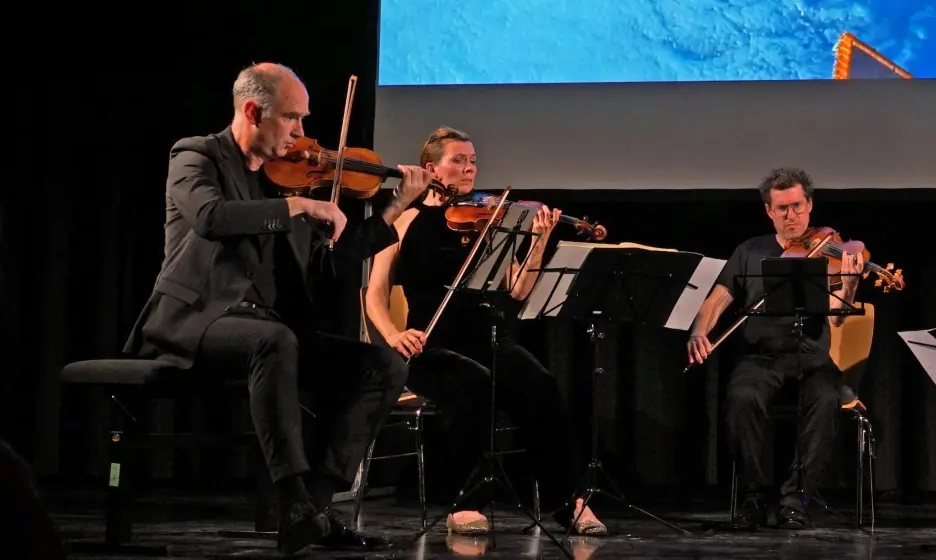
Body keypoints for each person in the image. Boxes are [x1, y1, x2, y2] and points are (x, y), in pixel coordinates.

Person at [123, 63, 433, 557]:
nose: (302, 134)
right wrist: (299, 209)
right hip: (195, 323)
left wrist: (393, 208)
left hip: (268, 330)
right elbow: (210, 218)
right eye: (293, 119)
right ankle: (292, 499)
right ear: (253, 111)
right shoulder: (196, 155)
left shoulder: (286, 182)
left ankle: (314, 506)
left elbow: (334, 258)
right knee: (275, 340)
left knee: (383, 364)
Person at [364, 127, 607, 536]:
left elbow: (518, 291)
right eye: (458, 160)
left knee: (542, 385)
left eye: (473, 161)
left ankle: (568, 500)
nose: (469, 169)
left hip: (488, 337)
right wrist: (392, 336)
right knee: (474, 386)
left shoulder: (490, 222)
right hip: (429, 345)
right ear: (431, 168)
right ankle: (466, 500)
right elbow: (374, 293)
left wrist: (538, 242)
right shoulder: (404, 221)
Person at [685, 167, 865, 528]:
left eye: (798, 206)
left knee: (827, 400)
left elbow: (837, 319)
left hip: (812, 356)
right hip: (760, 356)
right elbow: (717, 299)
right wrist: (698, 332)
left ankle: (796, 500)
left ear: (809, 205)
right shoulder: (750, 251)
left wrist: (849, 285)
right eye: (782, 208)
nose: (791, 216)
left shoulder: (827, 251)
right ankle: (754, 496)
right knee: (741, 398)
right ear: (769, 211)